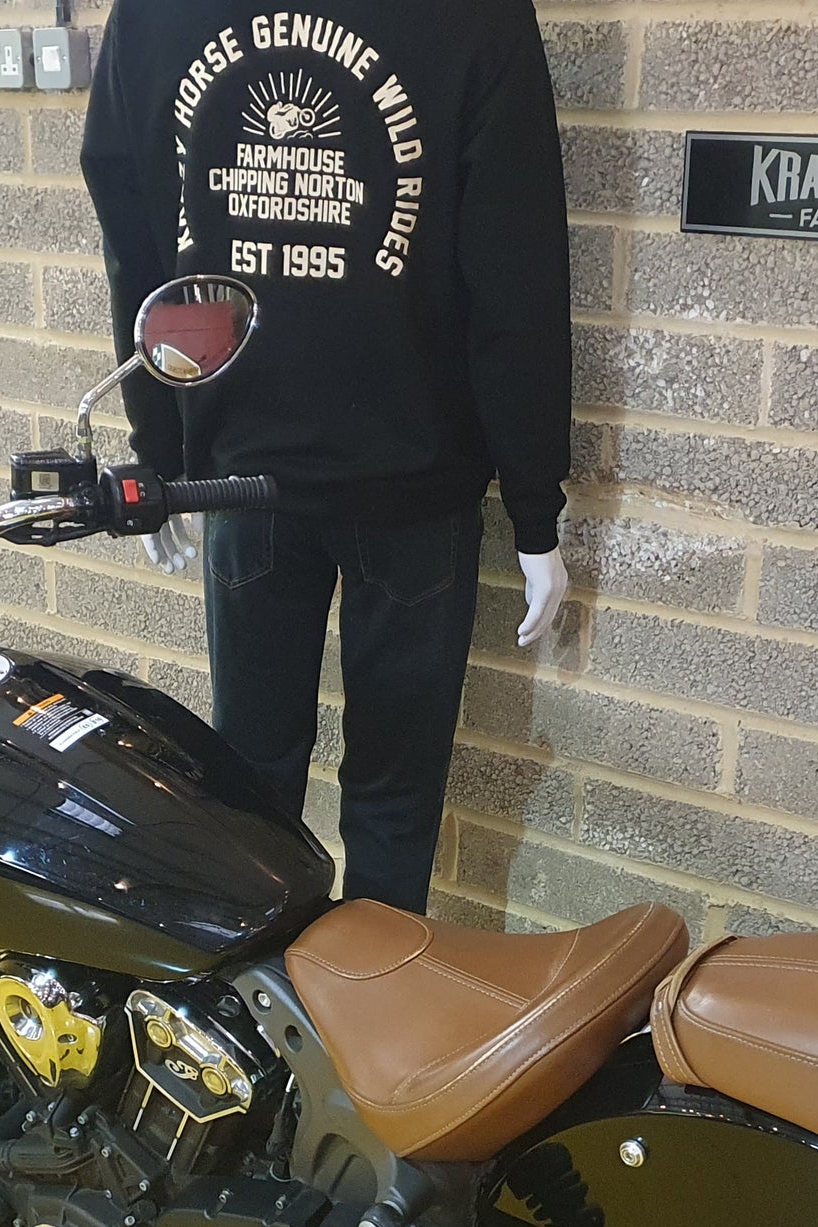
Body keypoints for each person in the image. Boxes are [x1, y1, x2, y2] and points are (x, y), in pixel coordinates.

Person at [82, 0, 572, 912]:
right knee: (388, 795)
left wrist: (164, 443)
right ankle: (362, 1031)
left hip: (246, 470)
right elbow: (518, 267)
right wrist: (535, 505)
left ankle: (254, 1034)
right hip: (406, 475)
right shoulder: (478, 18)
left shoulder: (157, 15)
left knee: (252, 780)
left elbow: (137, 238)